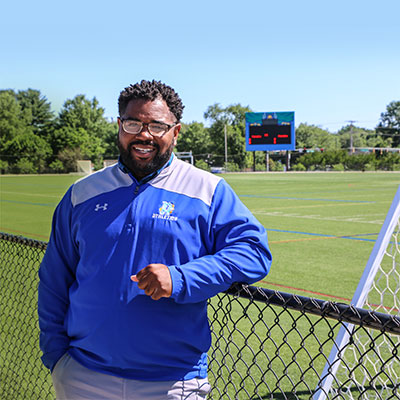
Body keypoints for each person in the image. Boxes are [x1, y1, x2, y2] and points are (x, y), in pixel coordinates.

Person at [38, 79, 272, 400]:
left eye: (157, 126)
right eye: (133, 123)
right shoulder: (82, 193)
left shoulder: (206, 189)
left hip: (172, 382)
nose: (144, 135)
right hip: (83, 375)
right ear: (119, 126)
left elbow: (254, 253)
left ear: (175, 132)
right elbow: (55, 278)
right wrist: (57, 357)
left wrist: (180, 278)